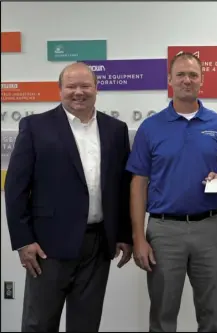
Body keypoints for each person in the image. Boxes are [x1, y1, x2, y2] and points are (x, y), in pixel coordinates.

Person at [4, 62, 133, 332]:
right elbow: (15, 187)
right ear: (60, 89)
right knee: (39, 324)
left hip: (98, 246)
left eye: (85, 86)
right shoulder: (35, 127)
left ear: (97, 89)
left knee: (86, 325)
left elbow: (121, 187)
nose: (78, 92)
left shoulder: (116, 130)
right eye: (71, 86)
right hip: (47, 247)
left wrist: (123, 234)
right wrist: (23, 240)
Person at [126, 51, 217, 332]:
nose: (187, 80)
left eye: (193, 75)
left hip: (209, 228)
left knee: (211, 312)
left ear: (201, 80)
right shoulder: (150, 128)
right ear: (170, 80)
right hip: (164, 231)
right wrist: (138, 237)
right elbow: (138, 183)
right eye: (180, 74)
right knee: (163, 315)